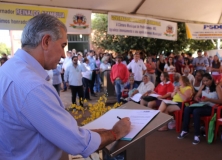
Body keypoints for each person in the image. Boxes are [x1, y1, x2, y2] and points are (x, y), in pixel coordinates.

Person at [0, 14, 131, 159]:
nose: (63, 55)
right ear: (46, 41)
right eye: (62, 45)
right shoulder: (33, 87)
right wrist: (115, 133)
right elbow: (78, 143)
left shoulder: (8, 70)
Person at [178, 73, 222, 145]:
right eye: (204, 81)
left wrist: (209, 99)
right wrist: (197, 98)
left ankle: (197, 135)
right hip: (202, 105)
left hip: (211, 107)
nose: (205, 82)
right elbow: (196, 97)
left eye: (207, 81)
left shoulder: (217, 87)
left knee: (196, 112)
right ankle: (185, 130)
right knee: (187, 109)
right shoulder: (203, 87)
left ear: (211, 80)